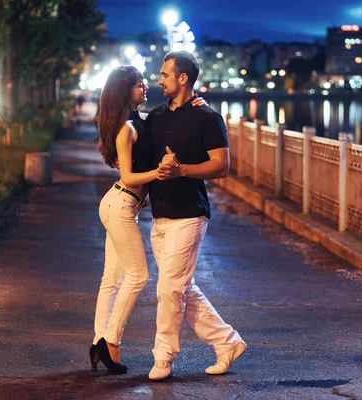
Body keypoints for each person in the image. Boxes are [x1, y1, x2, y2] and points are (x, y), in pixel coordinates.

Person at [90, 66, 207, 374]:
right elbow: (128, 177)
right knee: (137, 276)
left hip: (121, 205)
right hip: (121, 203)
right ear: (124, 90)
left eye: (144, 83)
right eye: (138, 84)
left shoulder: (138, 121)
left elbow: (165, 115)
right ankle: (109, 342)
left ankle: (98, 340)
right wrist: (160, 172)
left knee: (111, 279)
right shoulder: (126, 129)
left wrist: (199, 104)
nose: (146, 87)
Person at [146, 51, 246, 381]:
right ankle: (227, 342)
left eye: (164, 75)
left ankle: (163, 356)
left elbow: (221, 166)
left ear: (183, 79)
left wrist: (182, 171)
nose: (159, 80)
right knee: (181, 288)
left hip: (190, 213)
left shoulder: (207, 118)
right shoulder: (156, 117)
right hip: (160, 214)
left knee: (170, 288)